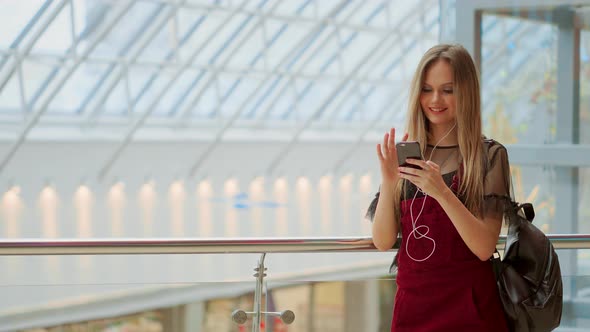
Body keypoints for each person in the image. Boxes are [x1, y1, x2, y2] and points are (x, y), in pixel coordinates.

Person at [366, 44, 514, 331]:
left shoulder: (489, 156)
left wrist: (442, 192)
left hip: (471, 308)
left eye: (448, 90)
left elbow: (484, 247)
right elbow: (383, 240)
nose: (435, 99)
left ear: (466, 92)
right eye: (426, 89)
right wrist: (388, 182)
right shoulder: (409, 154)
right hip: (413, 308)